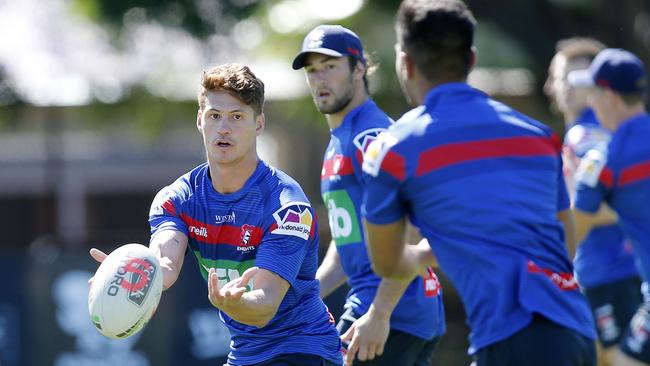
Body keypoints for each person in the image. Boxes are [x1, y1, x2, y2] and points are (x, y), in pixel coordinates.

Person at [360, 0, 597, 365]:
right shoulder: (538, 135)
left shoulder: (393, 149)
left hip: (513, 337)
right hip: (577, 331)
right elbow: (565, 246)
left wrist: (427, 251)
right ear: (471, 60)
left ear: (405, 63)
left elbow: (388, 264)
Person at [90, 63, 343, 366]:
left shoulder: (287, 206)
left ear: (259, 124)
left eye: (237, 117)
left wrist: (234, 303)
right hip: (245, 354)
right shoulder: (178, 198)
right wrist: (137, 273)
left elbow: (265, 305)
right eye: (214, 116)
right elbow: (166, 260)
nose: (224, 128)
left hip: (303, 349)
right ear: (200, 121)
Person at [291, 25, 445, 366]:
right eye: (312, 70)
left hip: (388, 308)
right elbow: (348, 245)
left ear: (359, 68)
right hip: (401, 308)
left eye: (330, 67)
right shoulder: (340, 141)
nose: (320, 79)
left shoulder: (372, 136)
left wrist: (379, 313)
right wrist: (299, 295)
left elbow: (411, 231)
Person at [545, 38, 642, 366]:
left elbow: (597, 209)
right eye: (565, 78)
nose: (572, 89)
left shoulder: (587, 139)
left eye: (581, 79)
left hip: (611, 272)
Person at [569, 48, 650, 366]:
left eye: (593, 94)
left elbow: (571, 233)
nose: (590, 103)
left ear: (610, 97)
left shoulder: (604, 161)